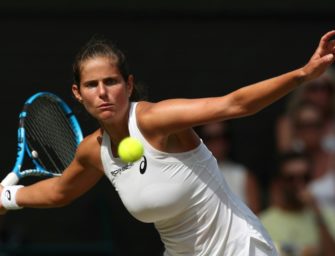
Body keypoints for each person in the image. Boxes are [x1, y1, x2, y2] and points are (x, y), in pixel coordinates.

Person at [0, 30, 334, 255]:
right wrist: (9, 197)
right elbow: (60, 192)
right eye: (91, 85)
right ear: (78, 93)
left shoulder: (156, 120)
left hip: (239, 248)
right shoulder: (92, 151)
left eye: (111, 81)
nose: (102, 92)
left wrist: (303, 74)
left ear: (128, 86)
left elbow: (235, 104)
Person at [259, 151, 335, 256]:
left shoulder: (328, 216)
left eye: (305, 177)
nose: (299, 184)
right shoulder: (263, 223)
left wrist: (318, 214)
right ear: (279, 182)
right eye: (291, 179)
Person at [197, 121, 261, 214]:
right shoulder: (194, 174)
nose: (219, 142)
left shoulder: (243, 175)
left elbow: (256, 214)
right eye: (211, 138)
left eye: (223, 136)